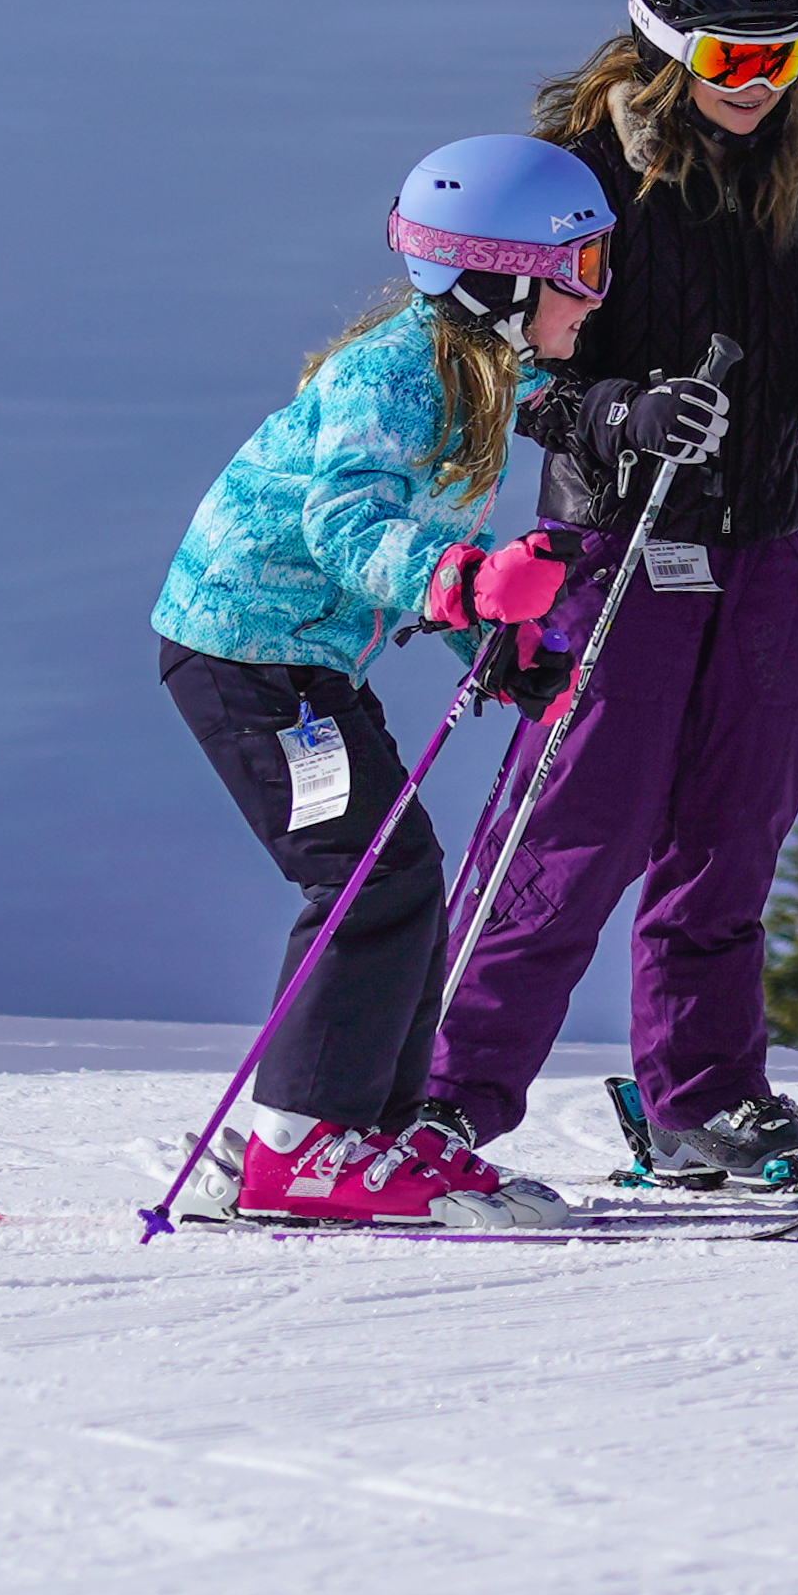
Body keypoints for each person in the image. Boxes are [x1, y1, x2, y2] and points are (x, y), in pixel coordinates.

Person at [420, 0, 798, 1190]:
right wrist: (614, 412)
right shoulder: (573, 175)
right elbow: (489, 369)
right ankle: (436, 1100)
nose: (758, 84)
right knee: (567, 842)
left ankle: (703, 1100)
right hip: (612, 549)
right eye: (732, 55)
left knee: (732, 840)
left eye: (784, 55)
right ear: (664, 43)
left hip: (761, 548)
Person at [150, 133, 609, 1228]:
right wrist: (460, 583)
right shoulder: (395, 373)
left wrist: (494, 643)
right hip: (247, 655)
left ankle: (365, 1123)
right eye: (582, 271)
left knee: (398, 870)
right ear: (499, 281)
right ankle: (301, 1143)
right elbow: (346, 522)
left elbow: (425, 533)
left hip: (299, 654)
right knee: (365, 877)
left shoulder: (476, 369)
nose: (596, 297)